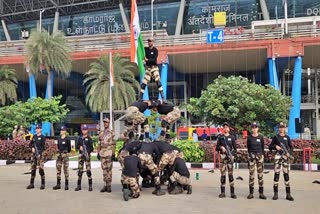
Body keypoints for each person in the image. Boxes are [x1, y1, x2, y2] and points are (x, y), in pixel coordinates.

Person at [269, 122, 294, 201]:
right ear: (278, 128)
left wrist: (288, 153)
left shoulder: (287, 137)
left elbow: (291, 148)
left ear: (285, 128)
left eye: (283, 127)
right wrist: (275, 146)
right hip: (278, 157)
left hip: (285, 158)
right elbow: (270, 147)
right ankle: (275, 194)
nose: (281, 129)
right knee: (276, 175)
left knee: (286, 175)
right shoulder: (276, 137)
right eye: (280, 127)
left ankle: (288, 194)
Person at [216, 122, 237, 199]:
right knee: (223, 176)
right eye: (224, 127)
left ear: (229, 128)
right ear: (223, 129)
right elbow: (216, 148)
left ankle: (232, 193)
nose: (225, 128)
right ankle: (222, 192)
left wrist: (232, 154)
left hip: (230, 157)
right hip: (223, 158)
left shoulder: (232, 137)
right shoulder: (220, 137)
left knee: (231, 175)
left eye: (227, 127)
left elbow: (235, 149)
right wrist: (221, 148)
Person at [246, 122, 266, 200]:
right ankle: (251, 193)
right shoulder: (249, 137)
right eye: (253, 128)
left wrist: (262, 156)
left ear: (258, 128)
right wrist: (250, 155)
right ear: (252, 129)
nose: (254, 129)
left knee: (260, 175)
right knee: (251, 175)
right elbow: (248, 147)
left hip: (260, 157)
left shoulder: (261, 137)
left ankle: (261, 193)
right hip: (251, 157)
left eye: (255, 127)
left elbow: (262, 147)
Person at [97, 118, 115, 193]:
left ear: (109, 123)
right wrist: (98, 152)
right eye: (104, 122)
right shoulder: (101, 132)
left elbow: (114, 143)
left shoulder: (112, 132)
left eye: (107, 122)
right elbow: (99, 143)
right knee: (104, 170)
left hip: (109, 153)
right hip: (102, 153)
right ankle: (105, 185)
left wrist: (113, 153)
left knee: (109, 170)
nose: (105, 124)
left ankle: (109, 185)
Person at [26, 124, 46, 190]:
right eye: (36, 128)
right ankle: (31, 184)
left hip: (40, 154)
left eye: (38, 128)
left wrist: (40, 153)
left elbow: (43, 147)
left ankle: (43, 184)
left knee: (41, 169)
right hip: (34, 155)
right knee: (33, 169)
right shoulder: (34, 136)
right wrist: (32, 148)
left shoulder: (43, 137)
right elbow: (30, 144)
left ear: (41, 129)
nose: (37, 129)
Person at [75, 124, 94, 191]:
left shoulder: (89, 139)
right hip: (81, 156)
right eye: (83, 129)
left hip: (87, 156)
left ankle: (90, 186)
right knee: (80, 171)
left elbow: (92, 148)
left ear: (87, 130)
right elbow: (76, 146)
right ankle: (78, 186)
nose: (84, 131)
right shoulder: (80, 138)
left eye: (85, 129)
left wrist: (87, 152)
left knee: (88, 171)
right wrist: (79, 147)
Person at [53, 126, 71, 190]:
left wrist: (66, 153)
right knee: (58, 170)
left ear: (65, 131)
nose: (61, 131)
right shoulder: (58, 139)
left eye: (63, 130)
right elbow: (58, 147)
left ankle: (66, 185)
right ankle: (58, 184)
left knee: (65, 170)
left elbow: (69, 148)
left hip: (65, 156)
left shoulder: (67, 139)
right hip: (59, 156)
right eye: (61, 130)